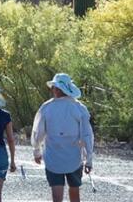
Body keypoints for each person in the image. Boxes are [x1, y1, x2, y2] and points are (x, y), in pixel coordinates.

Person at [31, 73, 94, 202]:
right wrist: (89, 160)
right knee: (75, 193)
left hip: (53, 158)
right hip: (74, 158)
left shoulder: (46, 107)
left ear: (57, 89)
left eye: (53, 86)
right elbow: (87, 135)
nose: (52, 89)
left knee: (56, 196)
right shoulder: (79, 108)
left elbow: (38, 133)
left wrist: (36, 151)